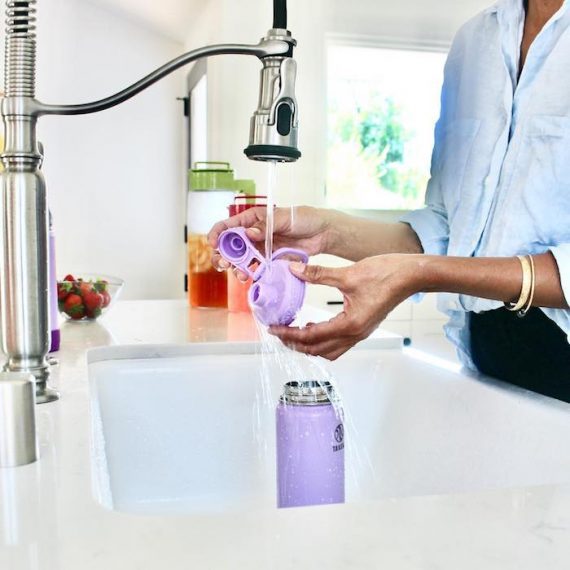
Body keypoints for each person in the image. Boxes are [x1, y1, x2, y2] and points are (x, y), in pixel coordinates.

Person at [209, 0, 570, 402]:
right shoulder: (476, 41)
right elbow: (448, 229)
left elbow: (431, 263)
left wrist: (419, 273)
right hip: (490, 371)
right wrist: (325, 231)